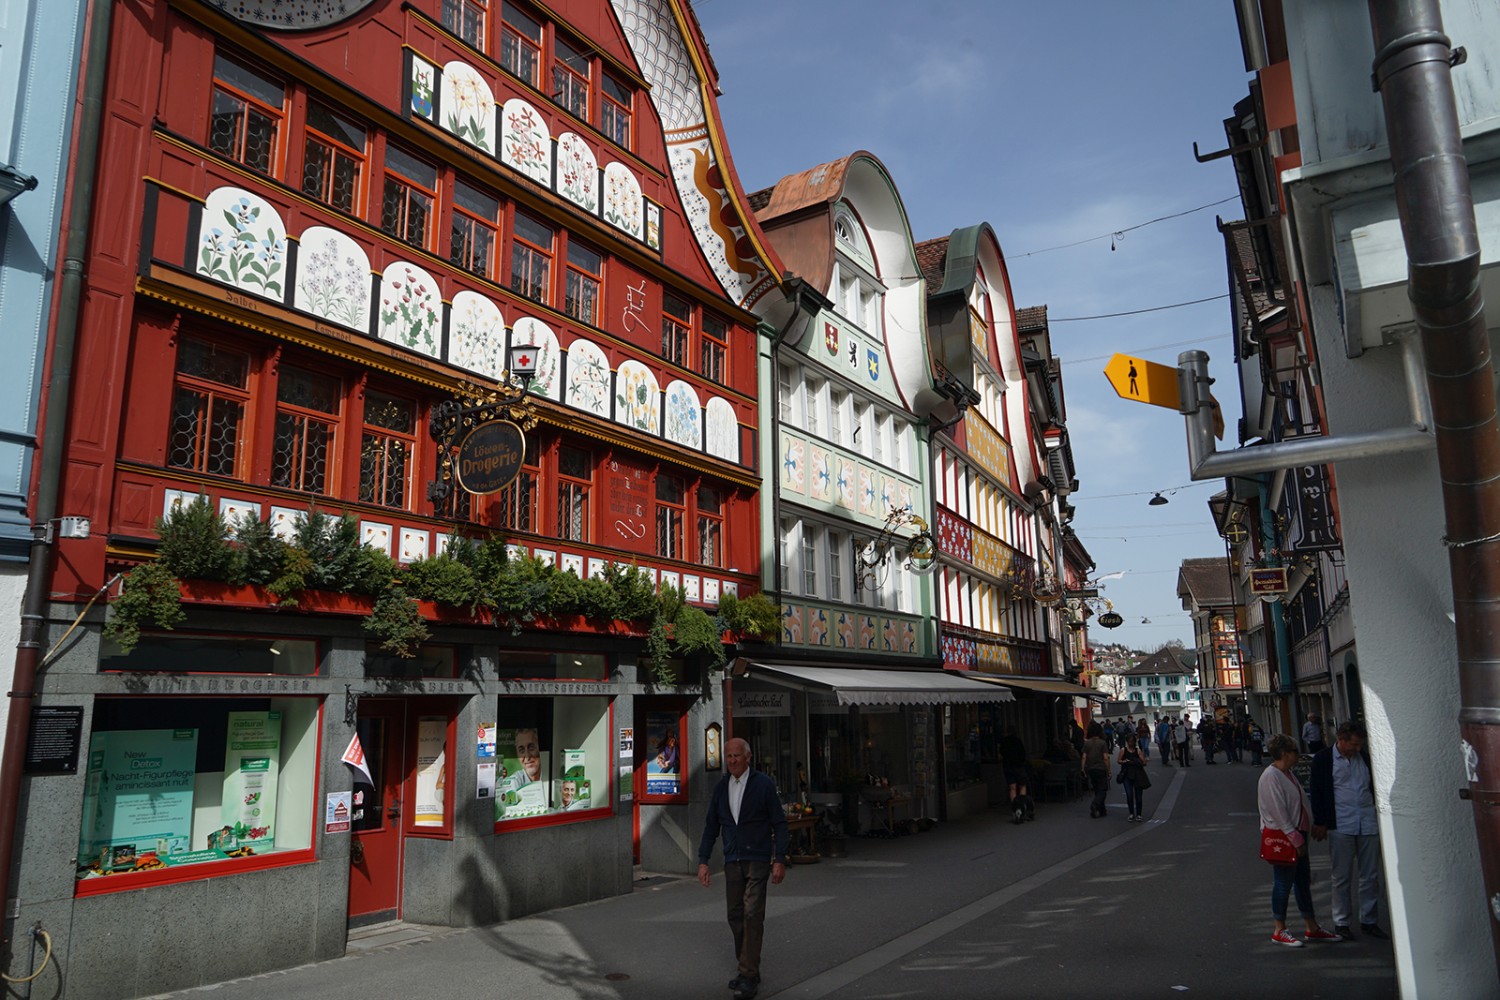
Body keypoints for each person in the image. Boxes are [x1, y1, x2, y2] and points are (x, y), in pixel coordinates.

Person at [698, 738, 789, 1000]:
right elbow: (711, 827)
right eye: (728, 757)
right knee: (735, 915)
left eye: (737, 756)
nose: (732, 761)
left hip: (758, 858)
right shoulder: (721, 788)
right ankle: (747, 966)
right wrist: (704, 861)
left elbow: (779, 824)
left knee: (752, 913)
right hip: (732, 860)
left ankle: (748, 975)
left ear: (749, 757)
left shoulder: (763, 785)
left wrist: (779, 859)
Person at [1258, 733, 1342, 947]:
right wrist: (1296, 838)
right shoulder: (1271, 776)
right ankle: (1279, 928)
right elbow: (1279, 812)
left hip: (1296, 833)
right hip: (1284, 837)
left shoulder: (1287, 773)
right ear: (1285, 753)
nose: (1298, 755)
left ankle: (1311, 926)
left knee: (1302, 881)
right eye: (1295, 751)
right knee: (1283, 882)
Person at [1310, 720, 1388, 940]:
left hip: (1367, 820)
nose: (1357, 749)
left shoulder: (1364, 758)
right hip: (1341, 823)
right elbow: (1317, 791)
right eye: (1353, 744)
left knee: (1370, 876)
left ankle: (1369, 920)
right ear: (1341, 740)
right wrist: (1321, 821)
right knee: (1341, 876)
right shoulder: (1324, 759)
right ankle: (1342, 922)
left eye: (1359, 745)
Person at [999, 728, 1034, 824]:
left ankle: (1014, 808)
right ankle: (1022, 806)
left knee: (1012, 787)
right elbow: (1023, 754)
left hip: (1008, 767)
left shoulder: (1004, 742)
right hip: (1018, 766)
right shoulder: (1018, 741)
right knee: (1022, 785)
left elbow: (1001, 752)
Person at [1117, 734, 1149, 822]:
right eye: (1129, 741)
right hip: (1127, 774)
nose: (1131, 743)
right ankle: (1131, 813)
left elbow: (1144, 762)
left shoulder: (1138, 750)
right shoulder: (1123, 750)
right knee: (1129, 794)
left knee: (1138, 796)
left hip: (1137, 774)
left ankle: (1138, 814)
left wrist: (1137, 761)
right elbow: (1118, 760)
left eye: (1132, 741)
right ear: (1127, 742)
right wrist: (1125, 761)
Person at [1082, 722, 1110, 819]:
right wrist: (1108, 770)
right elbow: (1105, 758)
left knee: (1096, 788)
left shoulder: (1087, 743)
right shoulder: (1102, 743)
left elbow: (1084, 757)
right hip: (1101, 768)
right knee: (1102, 789)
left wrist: (1083, 768)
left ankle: (1101, 809)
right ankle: (1095, 804)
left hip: (1091, 768)